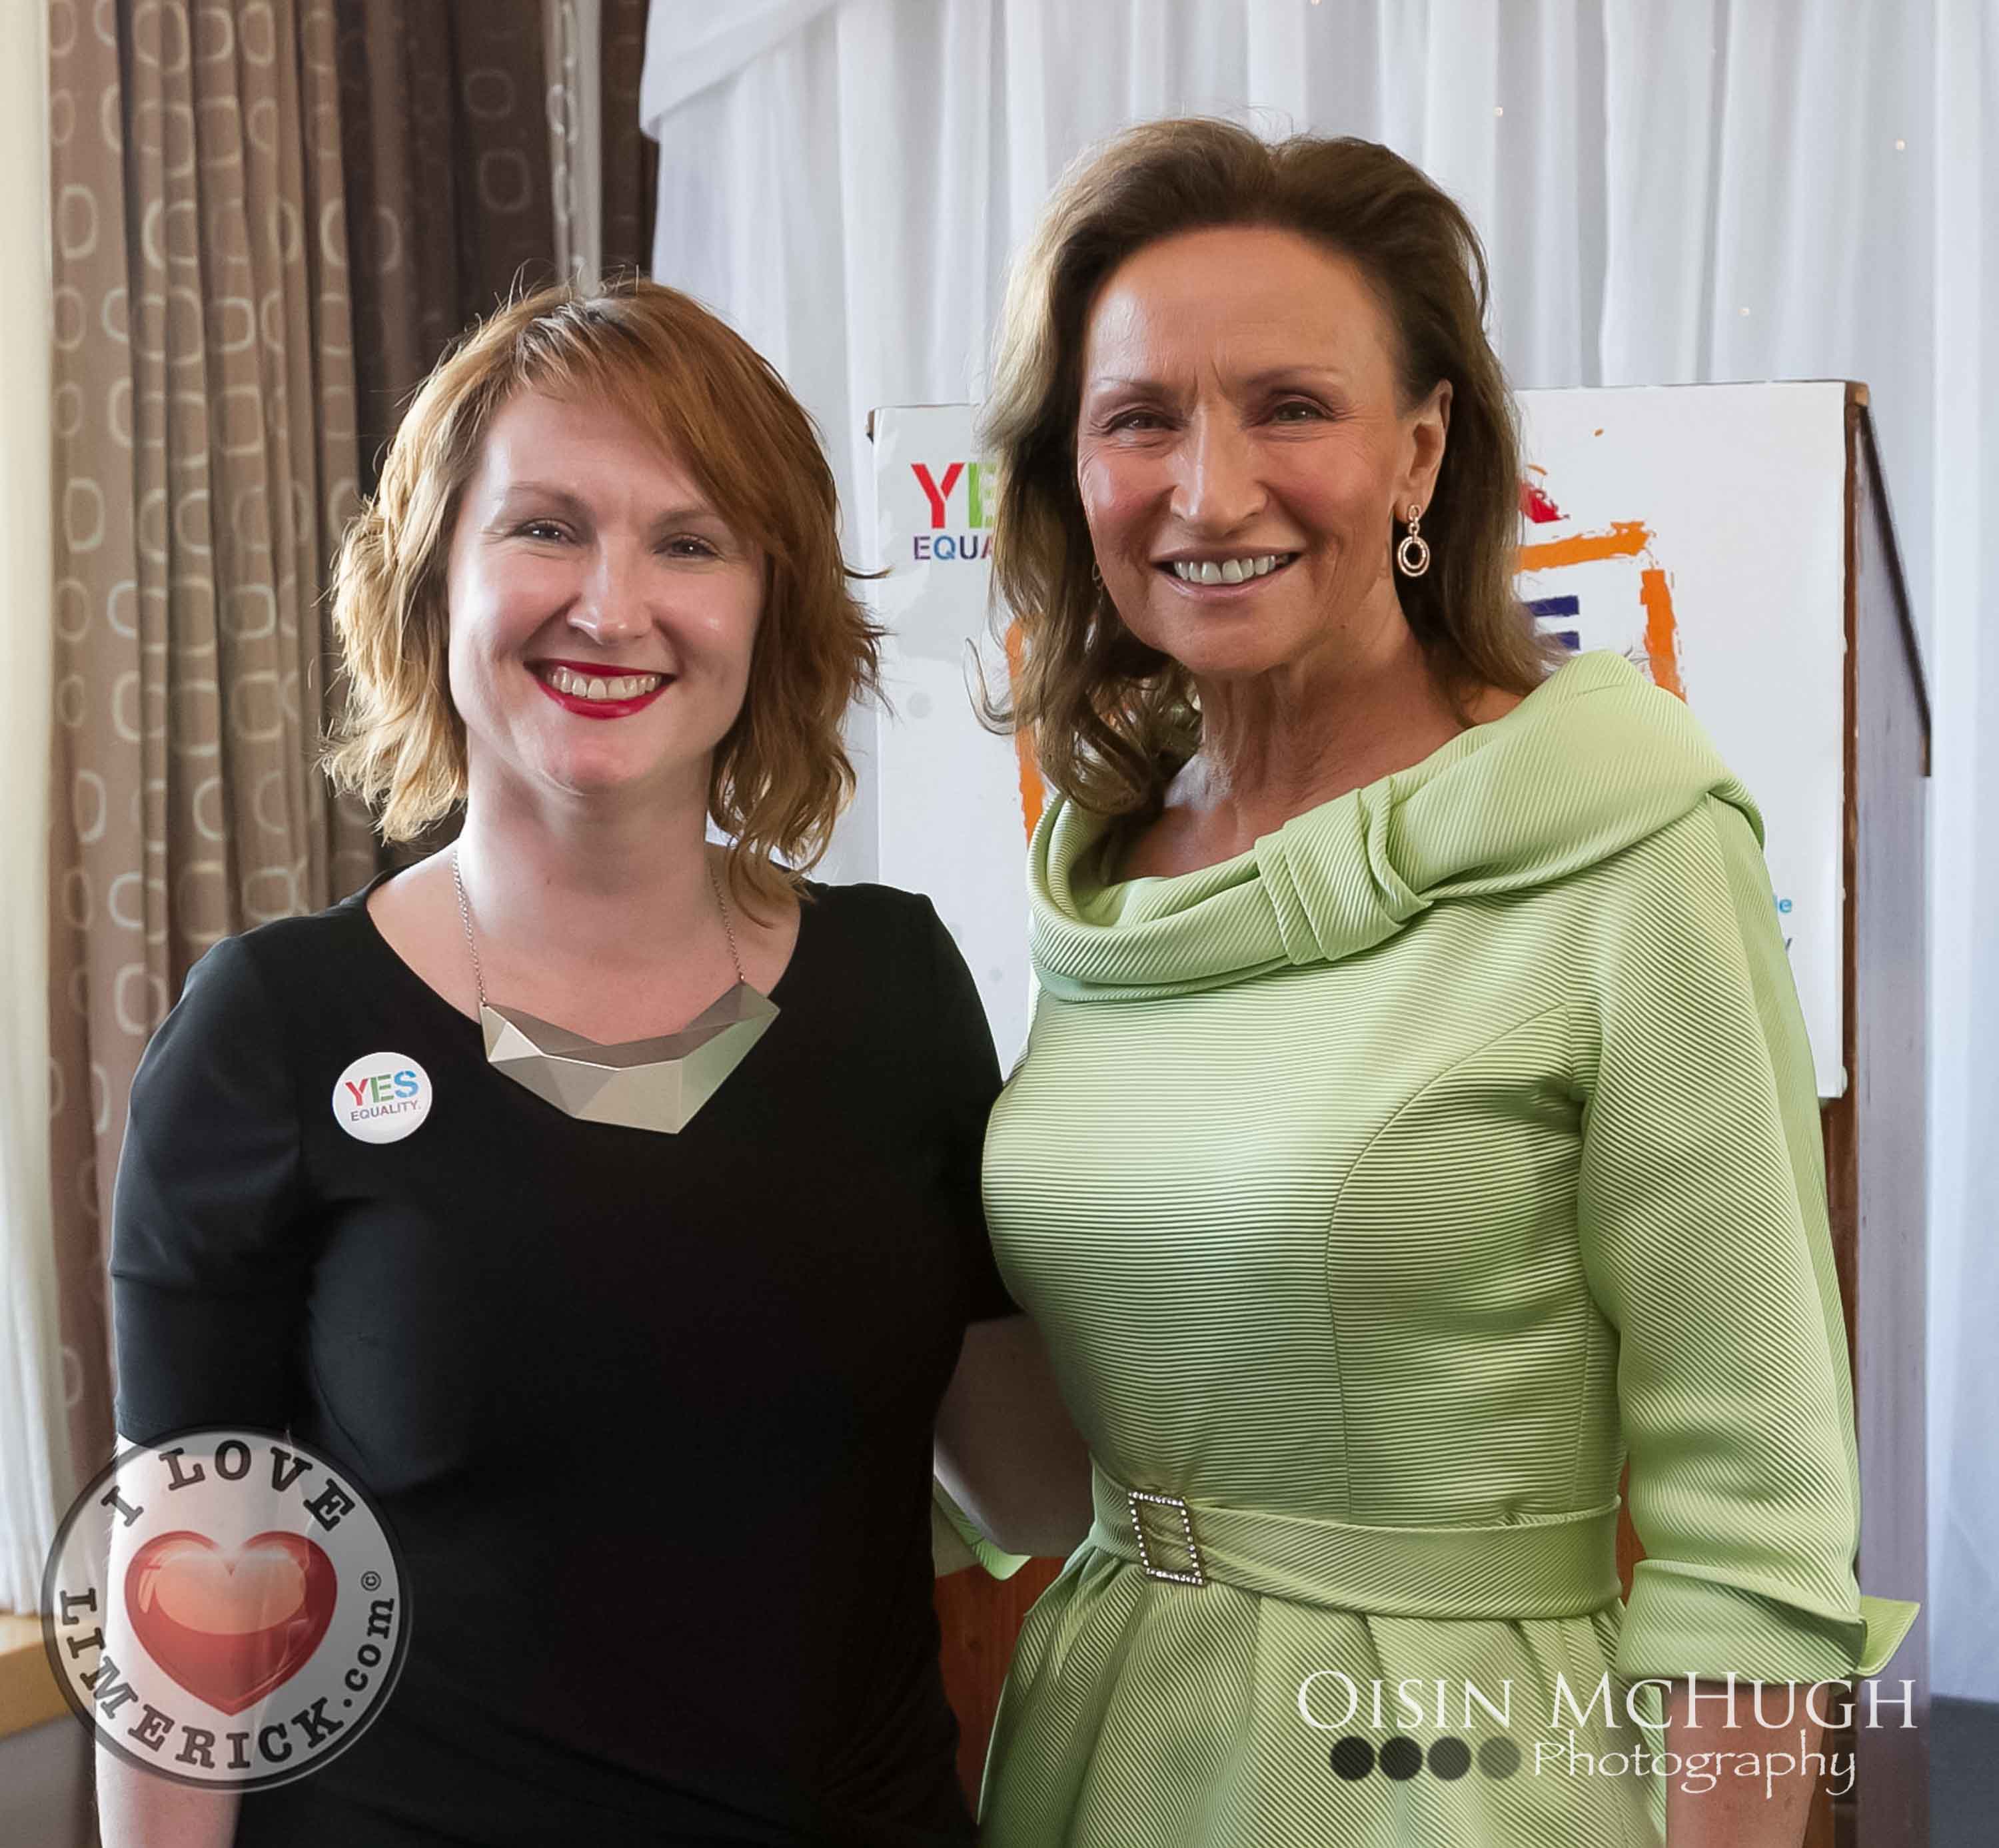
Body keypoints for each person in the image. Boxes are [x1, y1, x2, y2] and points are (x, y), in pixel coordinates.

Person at [955, 120, 1917, 1848]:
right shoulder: (1093, 872)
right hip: (1101, 1742)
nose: (1209, 489)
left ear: (1422, 451)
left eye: (1291, 407)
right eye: (1140, 417)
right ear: (1069, 472)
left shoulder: (1625, 844)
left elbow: (1756, 1529)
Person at [103, 278, 1047, 1847]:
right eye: (545, 528)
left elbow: (1032, 1483)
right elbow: (185, 1626)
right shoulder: (271, 1030)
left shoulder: (897, 989)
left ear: (773, 606)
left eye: (691, 543)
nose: (613, 607)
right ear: (435, 581)